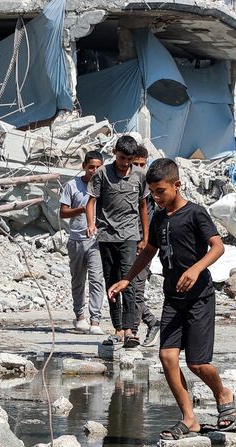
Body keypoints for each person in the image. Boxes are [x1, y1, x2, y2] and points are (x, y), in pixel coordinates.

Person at [108, 158, 236, 440]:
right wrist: (127, 278)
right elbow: (148, 251)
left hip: (200, 297)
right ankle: (189, 418)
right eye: (152, 192)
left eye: (161, 191)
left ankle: (223, 392)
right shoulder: (158, 217)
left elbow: (218, 247)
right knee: (167, 356)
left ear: (177, 185)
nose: (156, 197)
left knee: (197, 364)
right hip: (173, 298)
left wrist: (196, 268)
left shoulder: (195, 213)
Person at [86, 135, 150, 348]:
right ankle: (118, 328)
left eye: (129, 160)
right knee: (111, 281)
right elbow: (91, 202)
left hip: (130, 236)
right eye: (122, 158)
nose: (125, 164)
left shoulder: (140, 176)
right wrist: (91, 224)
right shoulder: (102, 174)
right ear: (115, 153)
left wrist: (145, 237)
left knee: (128, 280)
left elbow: (143, 207)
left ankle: (131, 330)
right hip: (106, 236)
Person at [59, 151, 106, 335]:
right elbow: (63, 212)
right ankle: (80, 316)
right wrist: (82, 208)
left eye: (98, 167)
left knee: (96, 279)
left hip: (96, 241)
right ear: (84, 166)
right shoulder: (72, 186)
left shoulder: (104, 186)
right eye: (91, 167)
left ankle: (95, 320)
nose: (94, 170)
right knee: (78, 280)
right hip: (77, 239)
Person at [131, 145, 161, 348]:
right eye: (136, 165)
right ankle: (140, 327)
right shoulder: (126, 187)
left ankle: (135, 331)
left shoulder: (153, 192)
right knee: (125, 288)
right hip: (125, 243)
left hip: (145, 247)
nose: (140, 169)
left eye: (143, 164)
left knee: (135, 290)